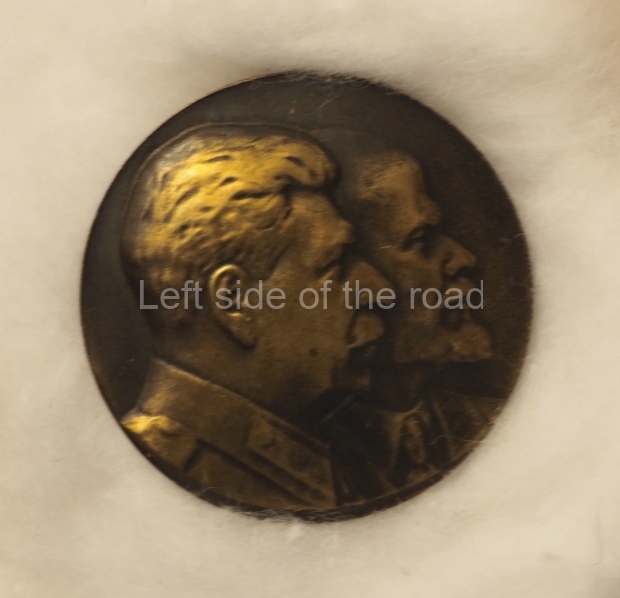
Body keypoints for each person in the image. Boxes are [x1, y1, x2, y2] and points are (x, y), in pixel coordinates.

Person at [120, 124, 388, 511]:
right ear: (233, 301)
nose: (379, 289)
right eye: (335, 265)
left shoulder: (341, 456)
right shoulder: (162, 472)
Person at [312, 129, 501, 499]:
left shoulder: (491, 427)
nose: (463, 259)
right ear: (353, 277)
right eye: (420, 241)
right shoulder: (306, 460)